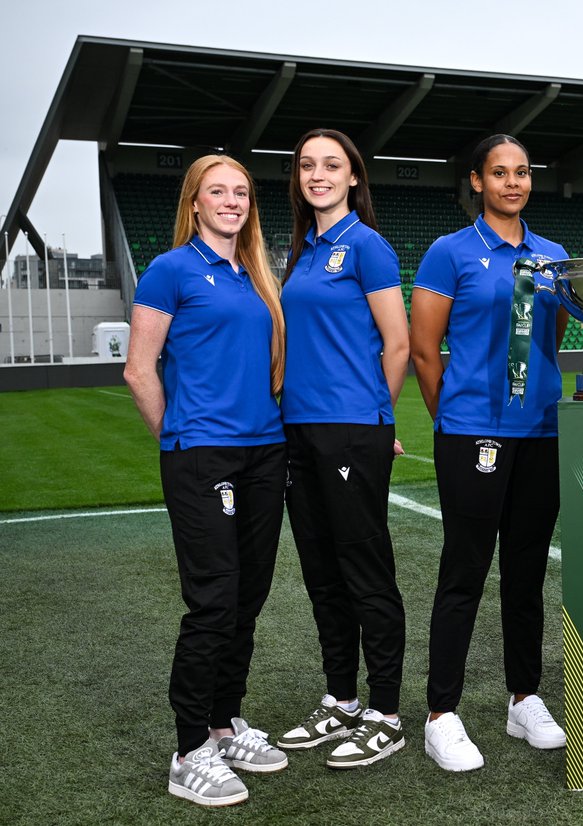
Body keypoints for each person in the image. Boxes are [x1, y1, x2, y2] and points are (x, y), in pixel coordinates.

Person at [125, 154, 289, 807]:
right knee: (214, 600)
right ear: (194, 203)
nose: (231, 201)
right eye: (217, 191)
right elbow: (140, 370)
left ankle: (225, 722)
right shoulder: (171, 270)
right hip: (203, 456)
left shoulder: (256, 275)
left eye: (241, 192)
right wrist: (183, 438)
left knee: (248, 595)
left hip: (265, 451)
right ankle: (190, 746)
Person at [409, 133, 569, 772]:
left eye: (522, 173)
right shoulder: (449, 254)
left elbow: (553, 335)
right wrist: (453, 418)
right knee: (465, 571)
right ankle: (440, 714)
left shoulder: (554, 255)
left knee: (527, 571)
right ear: (476, 181)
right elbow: (425, 350)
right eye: (499, 173)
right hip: (473, 432)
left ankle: (522, 697)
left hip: (544, 432)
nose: (512, 182)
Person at [273, 128, 411, 770]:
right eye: (308, 165)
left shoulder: (368, 245)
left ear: (354, 176)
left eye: (332, 165)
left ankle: (385, 713)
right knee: (322, 576)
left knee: (365, 573)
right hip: (296, 430)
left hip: (350, 430)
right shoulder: (303, 251)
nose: (318, 174)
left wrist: (374, 420)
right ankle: (341, 700)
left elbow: (399, 343)